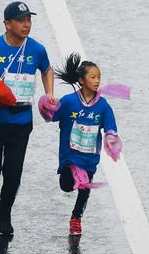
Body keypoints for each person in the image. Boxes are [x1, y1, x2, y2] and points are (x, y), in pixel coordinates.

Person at [0, 1, 56, 237]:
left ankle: (3, 214)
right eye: (21, 20)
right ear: (7, 24)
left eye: (29, 19)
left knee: (13, 173)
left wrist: (49, 93)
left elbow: (47, 69)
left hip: (20, 123)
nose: (27, 24)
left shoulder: (37, 50)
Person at [39, 53, 127, 236]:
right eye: (93, 77)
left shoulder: (102, 106)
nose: (97, 81)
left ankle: (76, 218)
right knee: (66, 185)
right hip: (69, 156)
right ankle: (71, 182)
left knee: (85, 188)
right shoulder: (69, 102)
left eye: (99, 77)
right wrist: (47, 104)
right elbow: (51, 116)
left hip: (88, 158)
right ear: (81, 80)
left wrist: (111, 138)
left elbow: (110, 126)